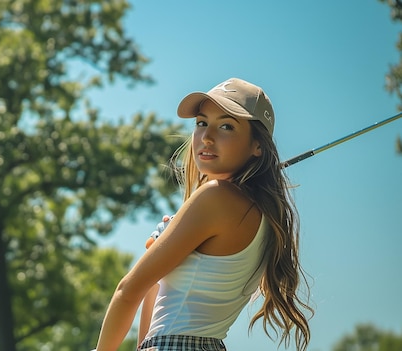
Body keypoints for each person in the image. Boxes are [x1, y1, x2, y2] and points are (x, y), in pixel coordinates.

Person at [94, 78, 313, 351]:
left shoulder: (215, 197)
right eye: (201, 123)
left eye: (226, 126)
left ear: (258, 146)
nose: (207, 137)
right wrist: (160, 251)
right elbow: (153, 319)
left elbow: (127, 291)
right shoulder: (264, 215)